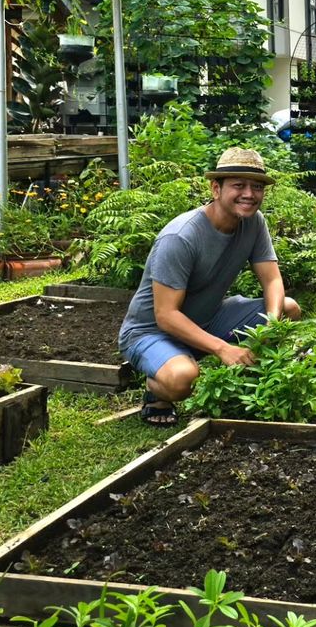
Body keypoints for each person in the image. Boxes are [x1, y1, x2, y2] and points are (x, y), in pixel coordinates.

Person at [119, 147, 301, 425]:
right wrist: (222, 348)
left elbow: (273, 279)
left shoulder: (253, 223)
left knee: (287, 308)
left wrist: (272, 324)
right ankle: (156, 388)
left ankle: (249, 374)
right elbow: (165, 315)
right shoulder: (181, 237)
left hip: (208, 318)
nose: (249, 194)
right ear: (216, 189)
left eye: (256, 187)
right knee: (182, 378)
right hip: (150, 331)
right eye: (238, 185)